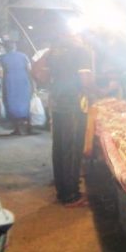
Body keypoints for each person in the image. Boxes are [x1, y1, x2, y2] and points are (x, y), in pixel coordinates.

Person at [47, 35, 93, 207]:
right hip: (74, 105)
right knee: (72, 150)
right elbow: (85, 80)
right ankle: (71, 195)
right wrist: (95, 91)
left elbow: (39, 73)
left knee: (59, 148)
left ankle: (62, 191)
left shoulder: (55, 52)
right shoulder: (81, 51)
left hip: (58, 104)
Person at [0, 41, 32, 135]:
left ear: (5, 48)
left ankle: (17, 129)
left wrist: (2, 76)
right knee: (25, 103)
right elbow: (29, 69)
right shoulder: (23, 56)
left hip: (10, 83)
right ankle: (28, 128)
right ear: (15, 47)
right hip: (23, 82)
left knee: (11, 104)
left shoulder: (2, 57)